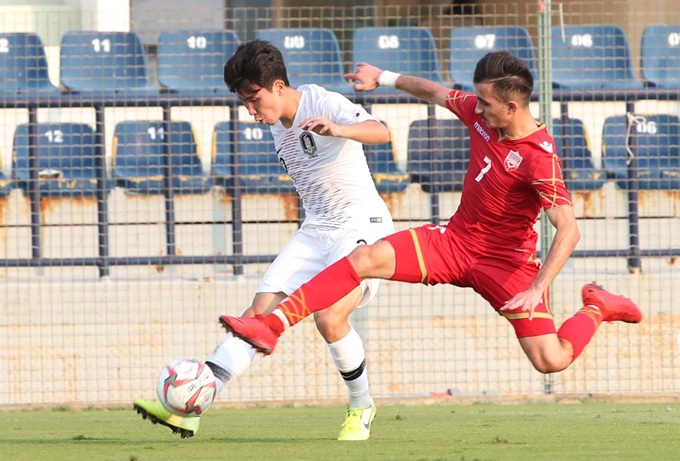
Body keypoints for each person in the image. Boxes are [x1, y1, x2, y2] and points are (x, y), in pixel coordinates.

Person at [220, 51, 643, 377]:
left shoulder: (539, 158)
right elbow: (434, 91)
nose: (475, 108)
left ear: (512, 107)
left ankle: (598, 306)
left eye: (485, 103)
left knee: (551, 360)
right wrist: (382, 77)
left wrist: (537, 288)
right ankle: (273, 325)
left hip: (508, 266)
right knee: (364, 258)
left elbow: (568, 231)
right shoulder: (481, 116)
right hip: (454, 243)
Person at [134, 39, 396, 440]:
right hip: (317, 229)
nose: (252, 111)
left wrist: (340, 128)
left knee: (329, 318)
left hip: (362, 226)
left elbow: (381, 131)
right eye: (244, 103)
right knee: (256, 315)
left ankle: (361, 405)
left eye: (254, 99)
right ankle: (193, 405)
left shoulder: (319, 100)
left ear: (278, 86)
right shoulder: (276, 125)